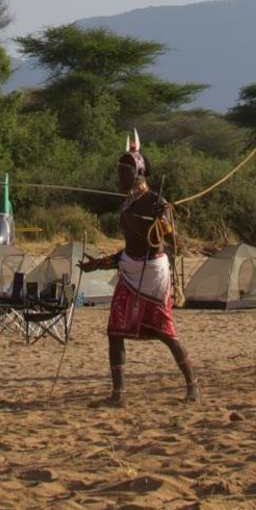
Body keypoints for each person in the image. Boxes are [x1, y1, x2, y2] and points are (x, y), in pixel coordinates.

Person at [80, 132, 198, 407]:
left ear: (139, 173)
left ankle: (193, 385)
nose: (119, 177)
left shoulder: (156, 202)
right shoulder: (128, 203)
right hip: (130, 268)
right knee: (115, 332)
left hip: (152, 272)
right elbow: (129, 246)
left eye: (125, 172)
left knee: (165, 333)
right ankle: (118, 395)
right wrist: (97, 264)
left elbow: (170, 241)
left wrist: (163, 219)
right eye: (119, 172)